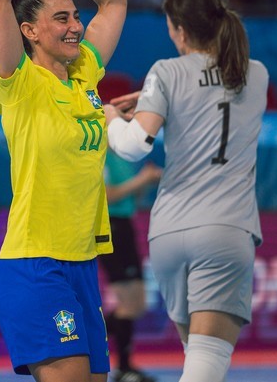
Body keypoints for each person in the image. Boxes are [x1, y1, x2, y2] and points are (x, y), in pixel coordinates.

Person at [104, 0, 267, 382]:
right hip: (225, 230)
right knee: (205, 365)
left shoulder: (167, 73)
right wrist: (157, 95)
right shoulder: (256, 74)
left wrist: (109, 115)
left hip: (169, 233)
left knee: (196, 358)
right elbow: (219, 90)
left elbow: (132, 145)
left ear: (179, 30)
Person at [0, 0, 128, 382]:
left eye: (76, 16)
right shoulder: (19, 81)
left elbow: (115, 0)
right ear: (29, 31)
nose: (75, 26)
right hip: (35, 265)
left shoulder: (86, 68)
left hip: (82, 263)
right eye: (61, 18)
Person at [100, 152, 162, 382]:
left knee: (137, 304)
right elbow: (106, 196)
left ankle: (87, 338)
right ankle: (123, 367)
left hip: (124, 226)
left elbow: (130, 197)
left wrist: (146, 181)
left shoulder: (122, 156)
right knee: (128, 303)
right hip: (110, 227)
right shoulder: (100, 153)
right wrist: (143, 179)